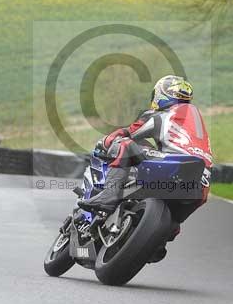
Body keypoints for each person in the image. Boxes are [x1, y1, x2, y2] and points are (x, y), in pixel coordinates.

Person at [77, 75, 213, 218]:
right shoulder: (197, 122)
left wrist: (105, 142)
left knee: (124, 144)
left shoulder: (163, 114)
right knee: (171, 228)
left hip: (174, 165)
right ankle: (170, 227)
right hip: (201, 183)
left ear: (161, 94)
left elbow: (128, 133)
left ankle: (108, 196)